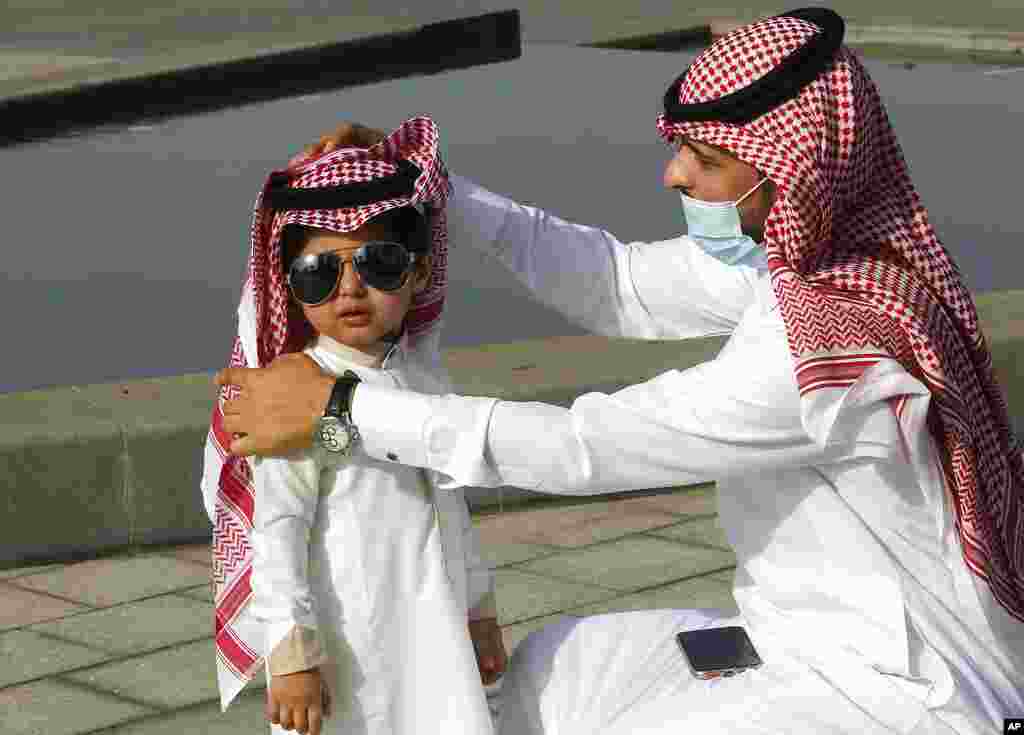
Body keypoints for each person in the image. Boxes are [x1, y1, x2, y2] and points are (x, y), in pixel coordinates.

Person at [215, 8, 1023, 734]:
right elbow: (618, 283)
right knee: (548, 676)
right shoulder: (805, 261)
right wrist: (422, 194)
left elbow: (586, 446)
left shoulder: (824, 352)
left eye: (704, 158)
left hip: (891, 692)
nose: (674, 174)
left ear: (786, 175)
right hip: (789, 636)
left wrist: (344, 410)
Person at [200, 117, 505, 735]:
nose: (350, 289)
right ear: (290, 286)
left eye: (380, 264)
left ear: (419, 273)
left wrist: (478, 611)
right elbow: (277, 532)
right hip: (346, 643)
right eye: (320, 272)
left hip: (434, 625)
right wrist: (289, 658)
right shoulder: (290, 393)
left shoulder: (426, 377)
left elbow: (456, 512)